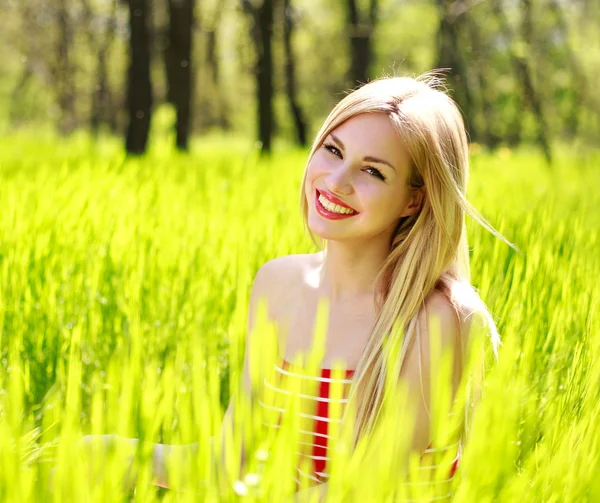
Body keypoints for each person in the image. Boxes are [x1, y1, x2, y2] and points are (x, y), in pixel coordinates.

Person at [76, 73, 508, 501]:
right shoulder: (278, 285)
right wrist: (116, 453)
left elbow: (366, 490)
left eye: (373, 172)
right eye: (333, 151)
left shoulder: (442, 317)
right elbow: (234, 462)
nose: (336, 181)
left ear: (415, 199)